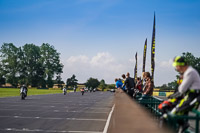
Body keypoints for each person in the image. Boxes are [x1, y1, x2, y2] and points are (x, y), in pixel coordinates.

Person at [170, 56, 200, 132]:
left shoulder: (190, 72)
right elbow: (179, 89)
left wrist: (174, 96)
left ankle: (183, 125)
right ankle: (181, 126)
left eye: (177, 66)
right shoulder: (185, 73)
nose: (176, 68)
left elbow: (182, 89)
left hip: (193, 97)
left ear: (181, 65)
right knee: (171, 109)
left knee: (176, 111)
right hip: (188, 96)